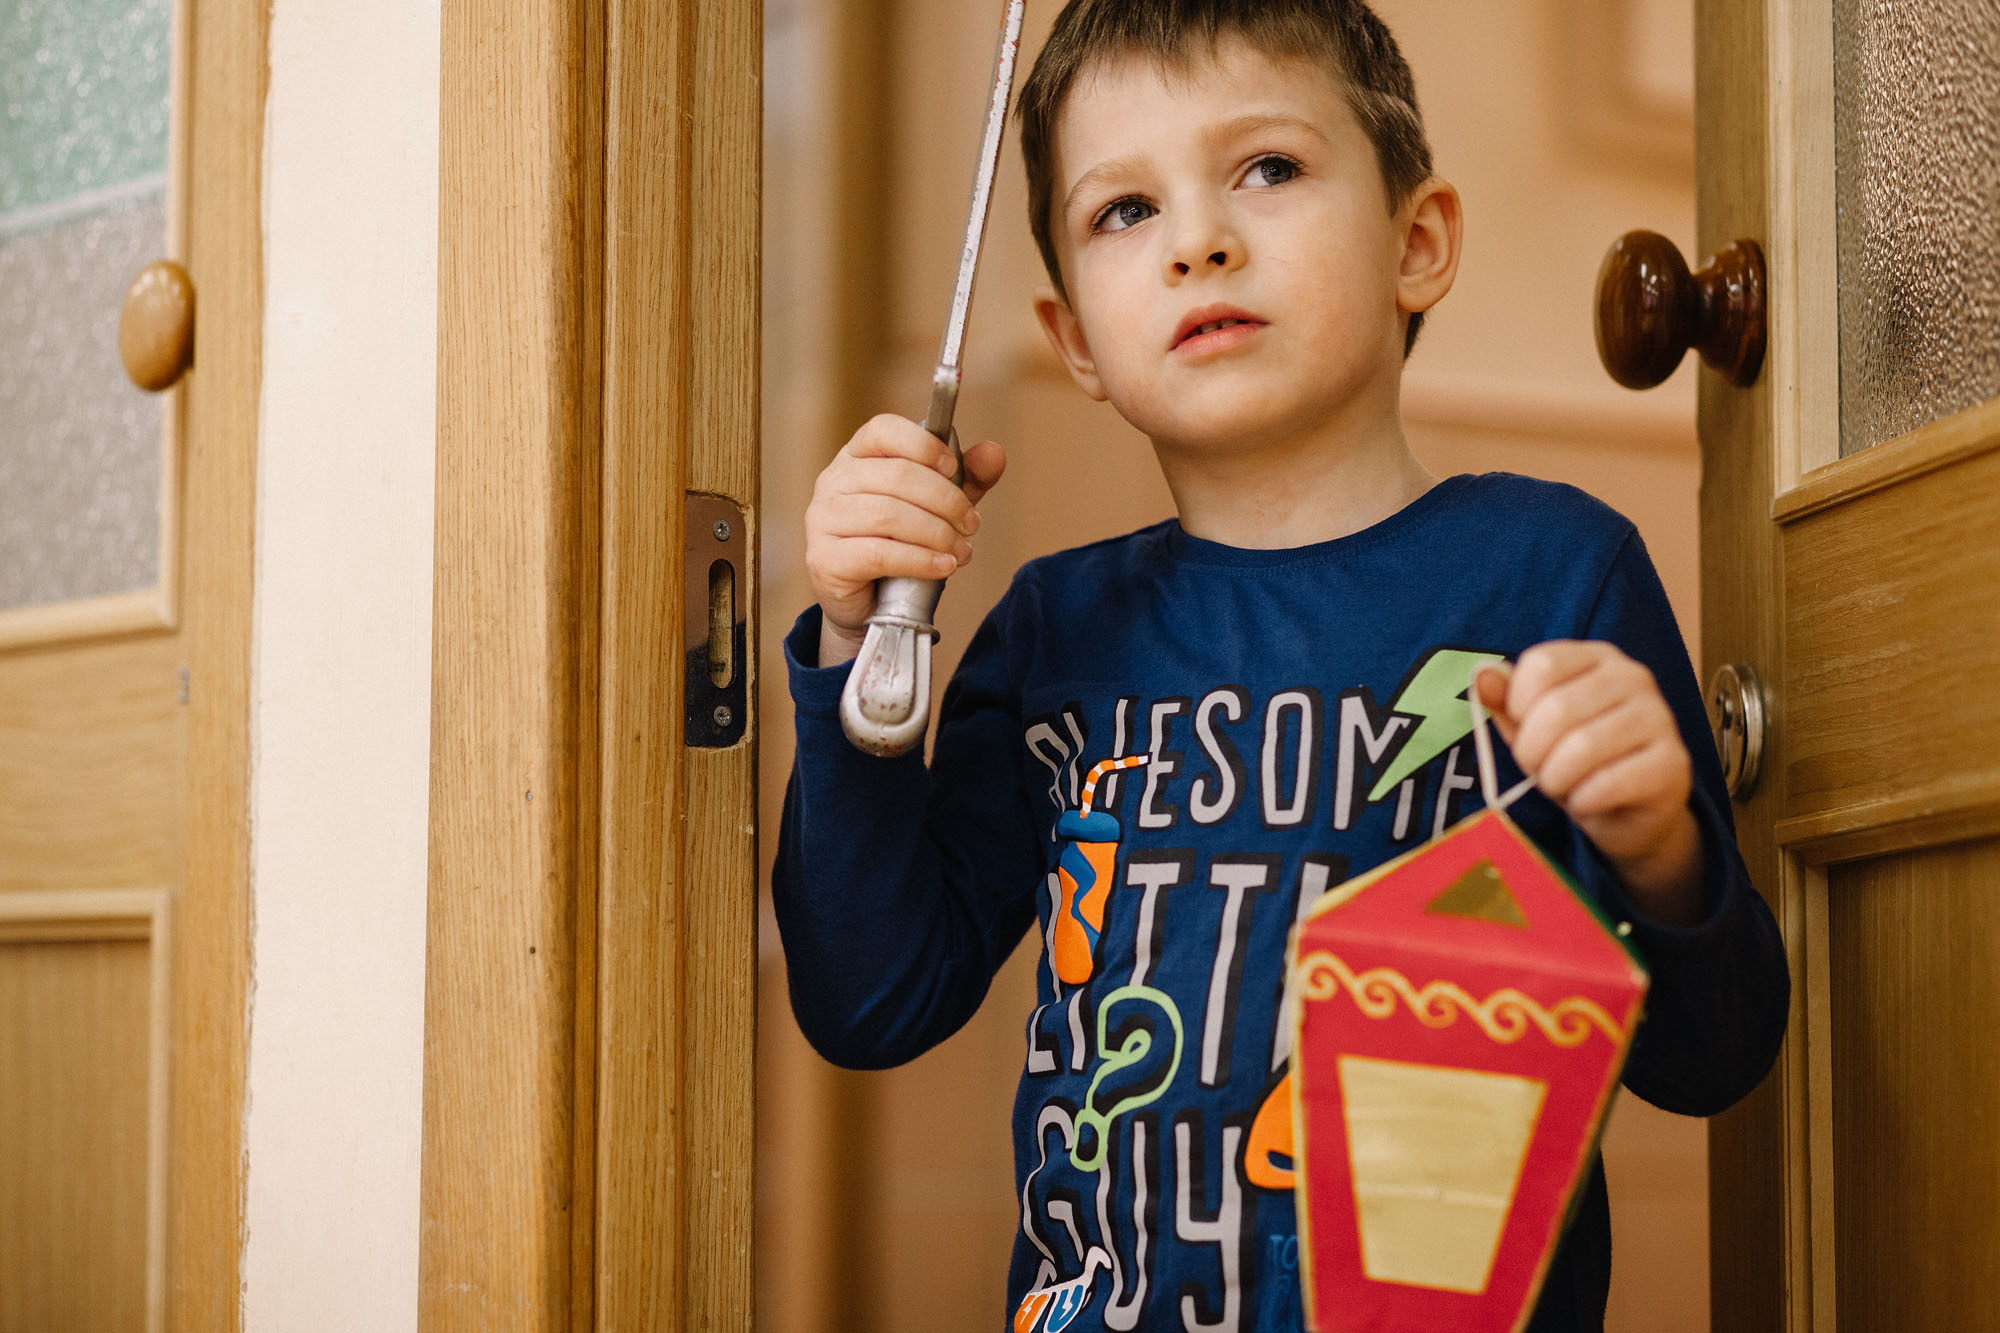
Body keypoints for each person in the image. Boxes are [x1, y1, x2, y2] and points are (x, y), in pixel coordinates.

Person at [773, 1, 1791, 1328]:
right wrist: (857, 643)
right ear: (1075, 337)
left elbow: (1715, 1057)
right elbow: (872, 999)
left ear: (1415, 243)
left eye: (1267, 168)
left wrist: (1664, 849)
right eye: (1124, 211)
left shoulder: (1556, 572)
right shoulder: (1049, 632)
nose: (1199, 238)